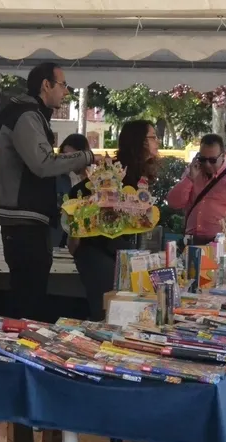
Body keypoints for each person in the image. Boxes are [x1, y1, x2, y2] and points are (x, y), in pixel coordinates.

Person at [0, 63, 94, 322]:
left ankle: (25, 338)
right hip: (22, 219)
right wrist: (86, 156)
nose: (66, 92)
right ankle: (21, 343)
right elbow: (43, 163)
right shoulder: (26, 116)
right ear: (45, 85)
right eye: (62, 85)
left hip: (29, 219)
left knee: (32, 295)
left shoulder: (33, 115)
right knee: (28, 298)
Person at [70, 120, 159, 321]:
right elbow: (77, 193)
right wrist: (75, 234)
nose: (157, 142)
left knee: (120, 314)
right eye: (153, 137)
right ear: (140, 141)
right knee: (107, 314)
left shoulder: (140, 172)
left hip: (120, 252)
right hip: (99, 251)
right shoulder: (116, 172)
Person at [166, 134, 226, 245]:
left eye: (212, 160)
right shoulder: (192, 173)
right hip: (192, 242)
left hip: (222, 244)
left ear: (223, 156)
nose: (207, 164)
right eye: (203, 159)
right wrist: (190, 179)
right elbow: (173, 203)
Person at [54, 133, 92, 249]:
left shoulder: (91, 181)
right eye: (64, 155)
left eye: (72, 157)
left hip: (84, 240)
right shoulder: (56, 177)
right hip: (59, 237)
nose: (68, 161)